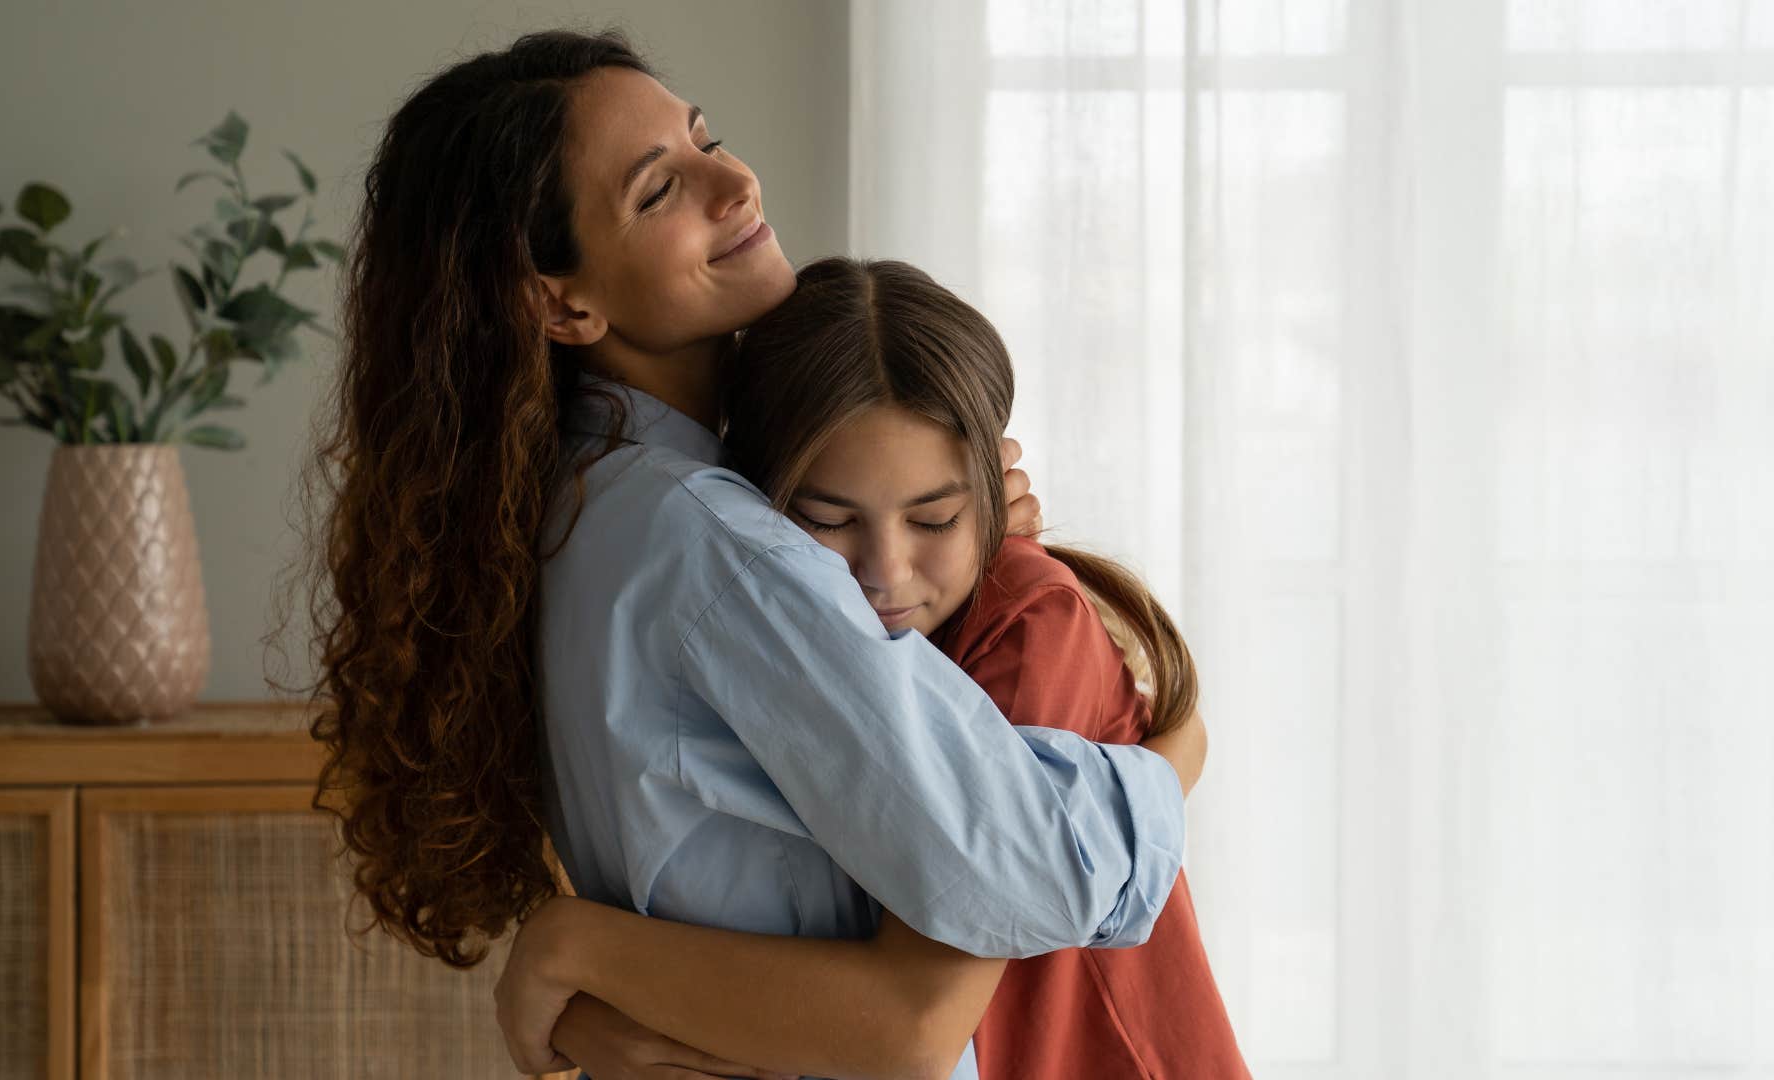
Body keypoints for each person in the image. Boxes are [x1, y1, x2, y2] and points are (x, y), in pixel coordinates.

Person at [301, 30, 1205, 1079]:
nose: (735, 183)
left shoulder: (573, 507)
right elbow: (1013, 897)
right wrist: (1175, 755)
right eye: (659, 190)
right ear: (560, 301)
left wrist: (577, 958)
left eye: (708, 141)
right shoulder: (718, 548)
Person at [497, 258, 1250, 1079]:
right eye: (825, 520)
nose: (885, 572)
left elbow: (917, 1014)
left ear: (995, 489)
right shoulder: (775, 624)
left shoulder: (1030, 628)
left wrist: (578, 955)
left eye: (934, 518)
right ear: (763, 508)